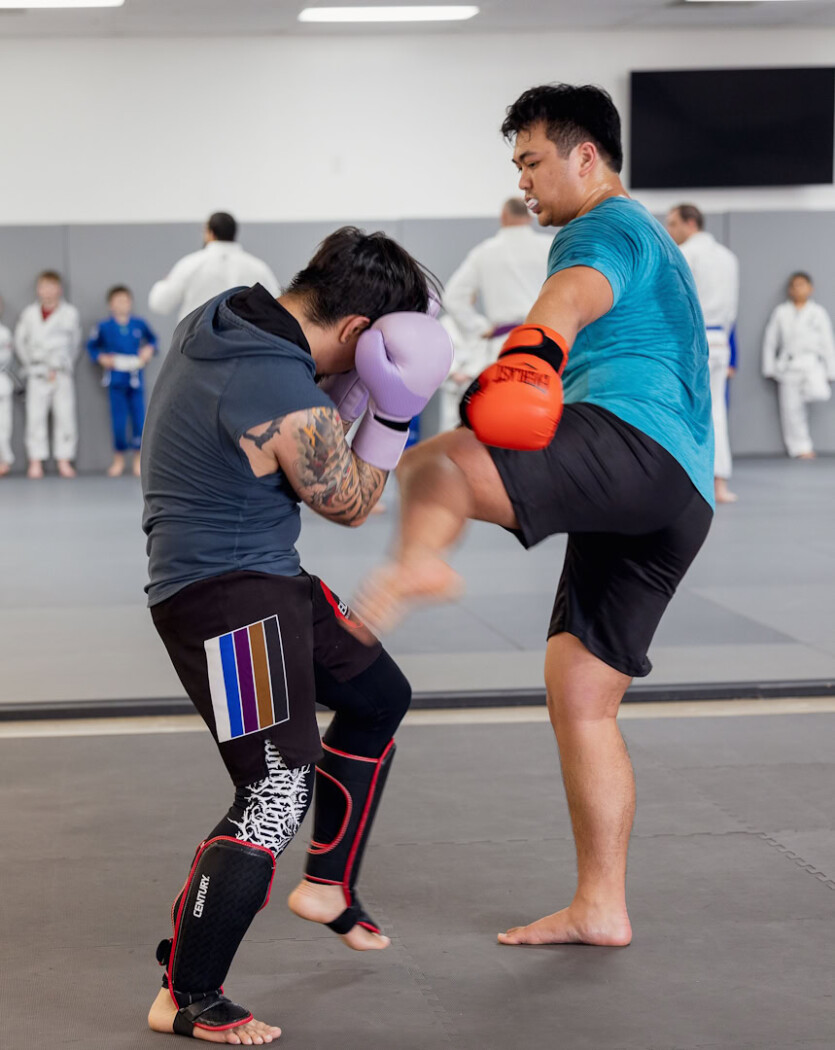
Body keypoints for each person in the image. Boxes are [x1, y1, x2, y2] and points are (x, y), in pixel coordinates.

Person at [357, 84, 714, 950]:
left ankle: (417, 566)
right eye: (515, 163)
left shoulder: (604, 227)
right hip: (681, 494)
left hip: (633, 445)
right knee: (581, 697)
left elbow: (571, 300)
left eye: (530, 159)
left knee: (435, 465)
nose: (522, 179)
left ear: (584, 155)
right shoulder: (652, 239)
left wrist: (528, 361)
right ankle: (602, 906)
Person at [141, 226, 452, 1043]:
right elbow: (351, 503)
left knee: (378, 693)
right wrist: (392, 407)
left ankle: (326, 885)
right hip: (223, 601)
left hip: (266, 576)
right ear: (358, 334)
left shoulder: (228, 313)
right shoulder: (278, 388)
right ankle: (188, 993)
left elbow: (304, 407)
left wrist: (345, 386)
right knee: (276, 789)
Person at [442, 197, 551, 429]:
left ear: (503, 217)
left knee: (502, 421)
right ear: (530, 216)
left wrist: (479, 329)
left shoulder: (485, 252)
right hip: (547, 341)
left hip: (505, 343)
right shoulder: (549, 247)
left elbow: (453, 296)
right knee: (543, 417)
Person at [666, 204, 740, 504]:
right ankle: (718, 483)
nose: (669, 230)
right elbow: (732, 308)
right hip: (720, 339)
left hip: (692, 340)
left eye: (673, 224)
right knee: (716, 412)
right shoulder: (728, 257)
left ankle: (688, 481)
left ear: (690, 223)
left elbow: (675, 303)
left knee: (684, 411)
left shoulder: (685, 254)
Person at [149, 211, 280, 322]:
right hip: (243, 344)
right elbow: (278, 306)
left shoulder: (189, 264)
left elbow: (160, 304)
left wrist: (164, 283)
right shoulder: (258, 268)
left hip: (197, 345)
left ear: (210, 233)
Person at [14, 271, 82, 479]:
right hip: (37, 372)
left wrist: (63, 364)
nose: (48, 291)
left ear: (59, 289)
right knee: (35, 417)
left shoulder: (70, 313)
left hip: (61, 371)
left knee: (65, 416)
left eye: (52, 286)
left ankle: (64, 459)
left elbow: (75, 343)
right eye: (44, 286)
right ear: (38, 289)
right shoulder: (29, 314)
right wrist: (32, 364)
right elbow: (20, 342)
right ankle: (36, 461)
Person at [762, 271, 835, 459]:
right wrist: (769, 367)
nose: (798, 289)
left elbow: (828, 342)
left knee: (820, 393)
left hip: (811, 363)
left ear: (810, 288)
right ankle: (800, 448)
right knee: (791, 411)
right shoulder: (781, 312)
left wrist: (831, 369)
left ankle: (803, 445)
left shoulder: (817, 313)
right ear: (789, 290)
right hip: (789, 365)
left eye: (802, 285)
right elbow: (771, 341)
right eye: (794, 286)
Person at [88, 285, 159, 477]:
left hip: (135, 378)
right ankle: (118, 459)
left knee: (139, 420)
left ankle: (138, 459)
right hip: (116, 378)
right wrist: (102, 358)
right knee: (118, 422)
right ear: (111, 304)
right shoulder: (104, 326)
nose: (122, 304)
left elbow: (153, 341)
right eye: (118, 300)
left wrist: (148, 351)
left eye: (126, 300)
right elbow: (92, 347)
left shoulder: (139, 324)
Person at [0, 295, 15, 476]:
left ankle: (3, 460)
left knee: (3, 425)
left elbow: (5, 359)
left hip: (1, 384)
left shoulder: (3, 333)